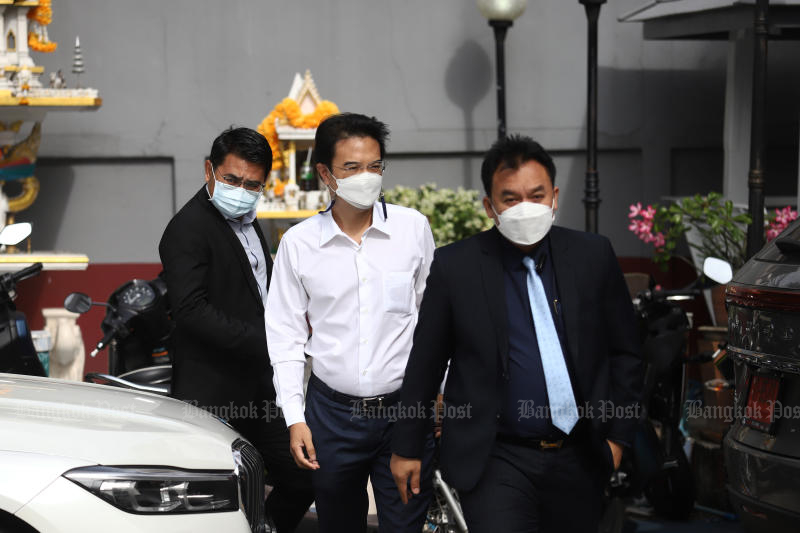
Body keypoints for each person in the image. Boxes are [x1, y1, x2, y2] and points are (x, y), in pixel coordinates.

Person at [390, 134, 642, 533]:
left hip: (581, 454)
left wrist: (617, 439)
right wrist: (406, 447)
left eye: (536, 195)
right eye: (510, 199)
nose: (525, 207)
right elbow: (425, 363)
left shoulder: (592, 256)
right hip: (495, 457)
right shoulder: (457, 267)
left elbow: (626, 352)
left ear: (555, 196)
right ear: (490, 206)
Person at [266, 113, 436, 533]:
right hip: (331, 415)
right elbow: (285, 334)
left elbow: (433, 322)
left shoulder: (412, 230)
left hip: (404, 410)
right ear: (326, 173)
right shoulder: (300, 244)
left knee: (406, 525)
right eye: (353, 167)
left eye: (375, 166)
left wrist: (439, 394)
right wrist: (295, 416)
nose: (367, 177)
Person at [159, 127, 314, 533]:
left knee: (307, 472)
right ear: (209, 170)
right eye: (232, 180)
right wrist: (268, 341)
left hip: (263, 390)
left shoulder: (247, 221)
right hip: (214, 395)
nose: (241, 190)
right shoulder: (187, 228)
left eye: (252, 184)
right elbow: (191, 311)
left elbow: (259, 293)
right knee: (217, 500)